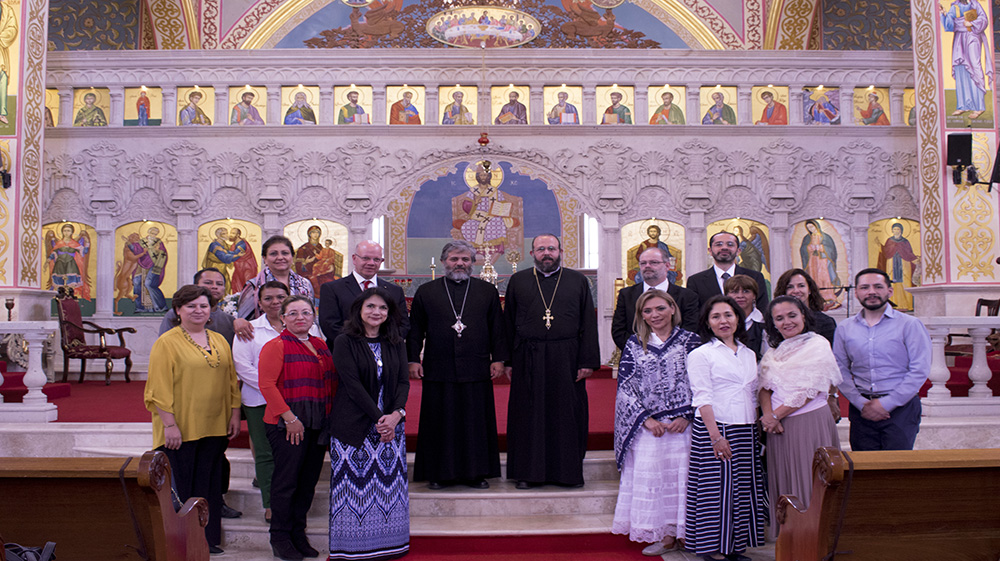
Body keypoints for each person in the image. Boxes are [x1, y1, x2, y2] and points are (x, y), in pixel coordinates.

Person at [144, 285, 241, 554]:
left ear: (211, 310)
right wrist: (170, 424)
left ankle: (208, 541)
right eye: (191, 306)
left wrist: (234, 413)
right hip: (181, 428)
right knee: (183, 487)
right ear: (178, 310)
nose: (198, 311)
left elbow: (231, 381)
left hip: (214, 425)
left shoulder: (219, 339)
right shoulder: (167, 342)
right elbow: (158, 388)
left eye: (203, 306)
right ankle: (184, 545)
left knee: (209, 485)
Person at [407, 240, 507, 489]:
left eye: (464, 259)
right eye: (454, 259)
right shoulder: (426, 292)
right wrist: (411, 359)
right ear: (444, 262)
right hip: (438, 367)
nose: (459, 264)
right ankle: (439, 473)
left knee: (475, 421)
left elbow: (498, 329)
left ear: (472, 262)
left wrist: (499, 359)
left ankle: (476, 473)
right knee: (440, 421)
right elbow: (415, 329)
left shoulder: (487, 291)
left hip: (477, 367)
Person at [503, 234, 600, 488]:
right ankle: (527, 473)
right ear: (532, 253)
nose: (547, 253)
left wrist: (587, 361)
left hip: (567, 357)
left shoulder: (578, 281)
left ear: (561, 251)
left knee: (567, 414)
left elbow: (588, 323)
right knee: (528, 415)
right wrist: (508, 361)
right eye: (541, 249)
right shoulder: (518, 280)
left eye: (551, 248)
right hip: (528, 356)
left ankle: (567, 473)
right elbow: (508, 324)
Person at [612, 289, 701, 556]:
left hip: (683, 428)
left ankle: (687, 534)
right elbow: (626, 387)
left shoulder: (691, 341)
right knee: (656, 481)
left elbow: (701, 382)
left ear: (673, 309)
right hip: (651, 430)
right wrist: (646, 420)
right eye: (647, 311)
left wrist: (686, 415)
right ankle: (664, 536)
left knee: (683, 481)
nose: (654, 315)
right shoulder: (634, 343)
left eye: (660, 309)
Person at [232, 281, 324, 527]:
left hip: (298, 402)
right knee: (265, 454)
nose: (274, 302)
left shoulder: (309, 329)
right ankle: (271, 504)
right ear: (259, 303)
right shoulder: (249, 329)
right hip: (260, 399)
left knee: (295, 458)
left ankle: (293, 507)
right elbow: (243, 367)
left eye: (279, 297)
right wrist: (276, 389)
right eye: (268, 298)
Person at [328, 287, 410, 560]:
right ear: (359, 310)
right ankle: (353, 548)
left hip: (390, 429)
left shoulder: (396, 341)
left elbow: (402, 382)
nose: (377, 312)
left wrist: (397, 414)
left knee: (388, 489)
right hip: (354, 427)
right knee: (355, 491)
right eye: (371, 307)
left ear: (390, 314)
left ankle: (390, 544)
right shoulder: (345, 341)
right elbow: (351, 385)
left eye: (383, 308)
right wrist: (380, 419)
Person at [684, 295, 766, 561]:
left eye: (728, 315)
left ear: (738, 319)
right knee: (715, 491)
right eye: (716, 316)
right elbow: (702, 397)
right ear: (707, 322)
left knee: (741, 489)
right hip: (716, 427)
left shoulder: (748, 353)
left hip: (745, 428)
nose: (723, 321)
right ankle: (711, 548)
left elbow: (752, 394)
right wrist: (716, 437)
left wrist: (756, 430)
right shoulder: (701, 354)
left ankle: (735, 547)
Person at [258, 295, 335, 560]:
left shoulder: (320, 345)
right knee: (286, 482)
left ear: (313, 316)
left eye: (305, 312)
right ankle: (279, 536)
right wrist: (290, 418)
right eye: (292, 313)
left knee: (307, 483)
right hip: (287, 425)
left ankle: (298, 533)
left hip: (316, 423)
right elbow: (267, 385)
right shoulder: (276, 345)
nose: (300, 317)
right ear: (283, 318)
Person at [758, 296, 842, 538]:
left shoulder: (817, 344)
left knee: (810, 479)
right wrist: (768, 416)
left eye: (792, 315)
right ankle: (790, 537)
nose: (787, 322)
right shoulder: (775, 351)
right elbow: (763, 387)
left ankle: (813, 537)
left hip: (808, 421)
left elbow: (812, 388)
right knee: (784, 477)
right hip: (778, 428)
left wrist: (776, 416)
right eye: (779, 318)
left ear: (804, 315)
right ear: (772, 323)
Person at [833, 268, 931, 451]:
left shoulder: (909, 325)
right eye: (865, 287)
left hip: (901, 408)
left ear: (889, 291)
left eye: (878, 286)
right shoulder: (845, 328)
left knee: (897, 469)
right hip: (861, 409)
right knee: (866, 471)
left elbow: (919, 370)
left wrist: (886, 403)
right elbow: (839, 369)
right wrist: (861, 403)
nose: (871, 292)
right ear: (857, 293)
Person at [318, 240, 408, 345]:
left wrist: (379, 344)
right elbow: (330, 325)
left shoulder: (394, 291)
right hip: (346, 353)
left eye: (376, 259)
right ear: (354, 258)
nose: (371, 263)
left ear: (381, 261)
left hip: (386, 353)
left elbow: (403, 325)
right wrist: (363, 345)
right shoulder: (332, 289)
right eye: (365, 258)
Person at [613, 247, 699, 347]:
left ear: (667, 266)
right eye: (643, 263)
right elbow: (618, 330)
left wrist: (667, 351)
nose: (647, 266)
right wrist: (641, 350)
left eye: (653, 262)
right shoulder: (626, 294)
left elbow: (691, 327)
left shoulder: (687, 296)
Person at [235, 235, 314, 338]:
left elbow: (312, 317)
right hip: (263, 339)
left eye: (285, 253)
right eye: (273, 254)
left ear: (292, 257)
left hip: (301, 340)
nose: (280, 257)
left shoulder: (305, 284)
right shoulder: (254, 285)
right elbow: (243, 321)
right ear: (265, 259)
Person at [687, 231, 769, 313]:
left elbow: (763, 309)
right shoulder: (696, 281)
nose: (724, 248)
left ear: (738, 251)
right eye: (719, 244)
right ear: (710, 251)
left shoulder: (755, 277)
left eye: (730, 244)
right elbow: (694, 314)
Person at [159, 268, 236, 347]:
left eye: (219, 284)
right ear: (196, 286)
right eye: (208, 283)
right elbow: (164, 346)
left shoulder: (229, 320)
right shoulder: (176, 314)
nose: (214, 287)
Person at [942, 0, 990, 119]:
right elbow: (949, 26)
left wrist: (972, 23)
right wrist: (944, 14)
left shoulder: (975, 4)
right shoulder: (955, 6)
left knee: (974, 65)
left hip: (972, 37)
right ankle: (964, 105)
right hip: (959, 38)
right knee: (960, 67)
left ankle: (979, 106)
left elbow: (984, 19)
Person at [773, 268, 837, 345]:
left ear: (809, 290)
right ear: (783, 292)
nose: (796, 291)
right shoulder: (778, 322)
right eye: (790, 287)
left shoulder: (825, 322)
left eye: (801, 286)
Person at [876, 223, 920, 311]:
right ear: (892, 231)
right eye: (895, 229)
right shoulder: (889, 241)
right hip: (891, 264)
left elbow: (909, 253)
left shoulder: (905, 241)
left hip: (904, 264)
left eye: (898, 229)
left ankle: (907, 305)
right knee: (892, 282)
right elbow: (885, 252)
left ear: (901, 231)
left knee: (906, 282)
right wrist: (880, 245)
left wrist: (916, 259)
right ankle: (891, 305)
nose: (896, 231)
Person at [723, 274, 765, 361]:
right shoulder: (721, 322)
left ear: (754, 295)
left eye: (746, 291)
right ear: (727, 295)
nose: (740, 296)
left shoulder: (763, 323)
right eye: (734, 292)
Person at [799, 219, 840, 309]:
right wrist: (809, 248)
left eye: (812, 227)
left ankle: (828, 298)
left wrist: (822, 248)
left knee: (824, 278)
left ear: (816, 226)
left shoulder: (825, 237)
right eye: (809, 228)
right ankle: (814, 299)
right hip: (812, 262)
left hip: (823, 261)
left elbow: (831, 250)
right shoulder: (807, 238)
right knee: (813, 279)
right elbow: (803, 250)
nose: (811, 229)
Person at [132, 227, 169, 313]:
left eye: (155, 233)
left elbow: (163, 253)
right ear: (148, 232)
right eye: (152, 233)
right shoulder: (142, 242)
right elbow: (136, 250)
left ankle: (161, 306)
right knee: (137, 283)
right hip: (141, 265)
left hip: (154, 265)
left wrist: (157, 251)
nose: (153, 235)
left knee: (149, 284)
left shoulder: (159, 242)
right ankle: (140, 307)